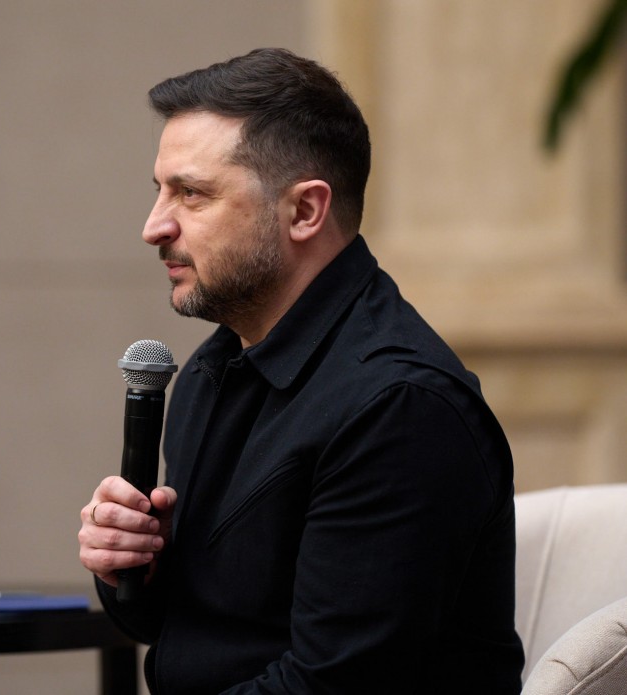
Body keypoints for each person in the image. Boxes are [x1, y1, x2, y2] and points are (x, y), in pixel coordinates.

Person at [77, 48, 524, 694]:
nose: (154, 227)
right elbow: (192, 632)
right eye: (160, 191)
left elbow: (332, 685)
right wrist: (136, 567)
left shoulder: (400, 407)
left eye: (192, 194)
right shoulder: (212, 369)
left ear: (305, 211)